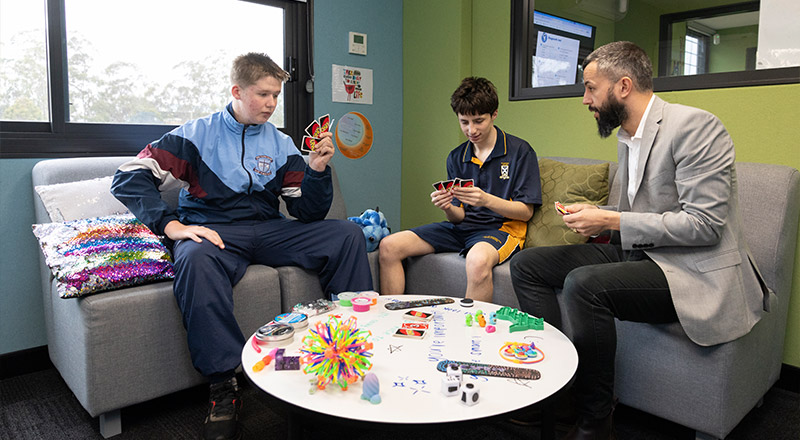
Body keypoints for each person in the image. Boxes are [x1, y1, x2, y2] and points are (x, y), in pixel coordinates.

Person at [509, 41, 769, 440]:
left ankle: (596, 420)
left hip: (693, 270)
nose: (584, 99)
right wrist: (594, 223)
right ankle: (554, 390)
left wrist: (613, 218)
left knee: (584, 286)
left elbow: (705, 225)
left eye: (590, 88)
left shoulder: (696, 127)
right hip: (646, 256)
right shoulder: (629, 134)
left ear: (623, 86)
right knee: (529, 265)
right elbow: (637, 217)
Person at [111, 53, 373, 440]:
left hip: (269, 229)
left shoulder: (281, 143)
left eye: (276, 96)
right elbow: (128, 177)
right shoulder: (195, 135)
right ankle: (223, 386)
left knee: (347, 234)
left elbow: (306, 212)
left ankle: (352, 345)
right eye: (262, 94)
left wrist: (317, 170)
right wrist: (172, 226)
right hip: (215, 231)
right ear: (237, 91)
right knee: (195, 259)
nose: (270, 103)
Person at [380, 77, 541, 302]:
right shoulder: (457, 156)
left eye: (478, 121)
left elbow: (526, 212)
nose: (471, 130)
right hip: (462, 229)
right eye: (464, 122)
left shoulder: (519, 151)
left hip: (502, 229)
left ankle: (471, 335)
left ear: (494, 114)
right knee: (389, 246)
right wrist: (447, 207)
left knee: (476, 261)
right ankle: (393, 323)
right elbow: (458, 217)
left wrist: (485, 199)